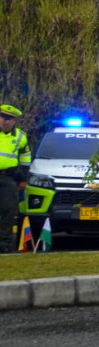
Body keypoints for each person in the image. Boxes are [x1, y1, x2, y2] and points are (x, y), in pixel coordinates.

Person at [0, 104, 32, 253]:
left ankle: (5, 244)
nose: (4, 121)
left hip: (8, 178)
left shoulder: (20, 136)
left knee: (8, 210)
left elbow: (25, 159)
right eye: (2, 117)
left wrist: (23, 178)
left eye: (8, 118)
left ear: (14, 121)